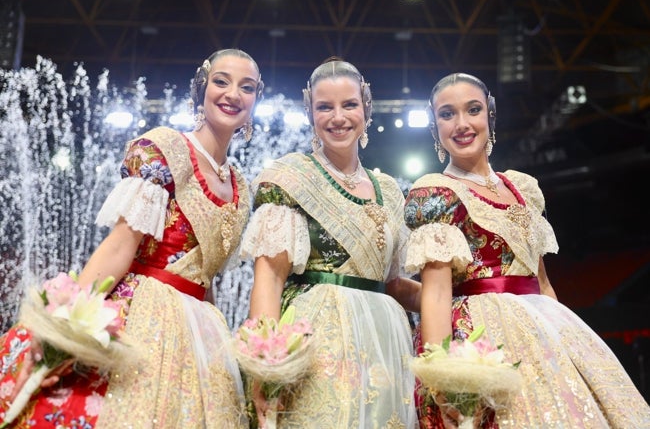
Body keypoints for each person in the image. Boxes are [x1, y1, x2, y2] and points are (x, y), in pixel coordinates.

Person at [0, 48, 263, 428]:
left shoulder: (239, 184)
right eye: (221, 81)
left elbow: (206, 277)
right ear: (202, 88)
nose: (232, 94)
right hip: (144, 317)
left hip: (202, 331)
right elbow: (120, 246)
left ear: (255, 100)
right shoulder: (163, 150)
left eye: (247, 87)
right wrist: (68, 325)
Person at [404, 72, 650, 428]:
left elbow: (543, 282)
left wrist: (565, 345)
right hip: (480, 341)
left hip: (543, 330)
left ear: (489, 114)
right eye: (447, 114)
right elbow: (437, 292)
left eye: (472, 109)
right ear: (434, 127)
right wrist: (445, 377)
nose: (461, 123)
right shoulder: (436, 193)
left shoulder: (523, 188)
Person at [239, 57, 421, 428]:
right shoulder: (290, 178)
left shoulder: (387, 189)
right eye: (325, 107)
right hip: (317, 338)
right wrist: (265, 365)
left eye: (349, 105)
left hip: (385, 342)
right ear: (310, 113)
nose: (338, 117)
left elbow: (393, 284)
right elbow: (270, 280)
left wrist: (462, 298)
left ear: (366, 110)